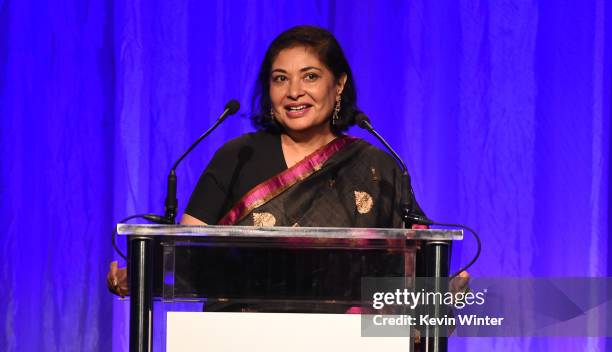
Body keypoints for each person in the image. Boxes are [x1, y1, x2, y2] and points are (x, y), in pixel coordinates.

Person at [108, 25, 438, 295]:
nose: (294, 91)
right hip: (239, 345)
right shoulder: (238, 156)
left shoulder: (377, 167)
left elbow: (416, 262)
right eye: (280, 78)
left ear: (338, 85)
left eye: (310, 76)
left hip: (347, 351)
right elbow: (186, 254)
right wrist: (141, 275)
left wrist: (441, 290)